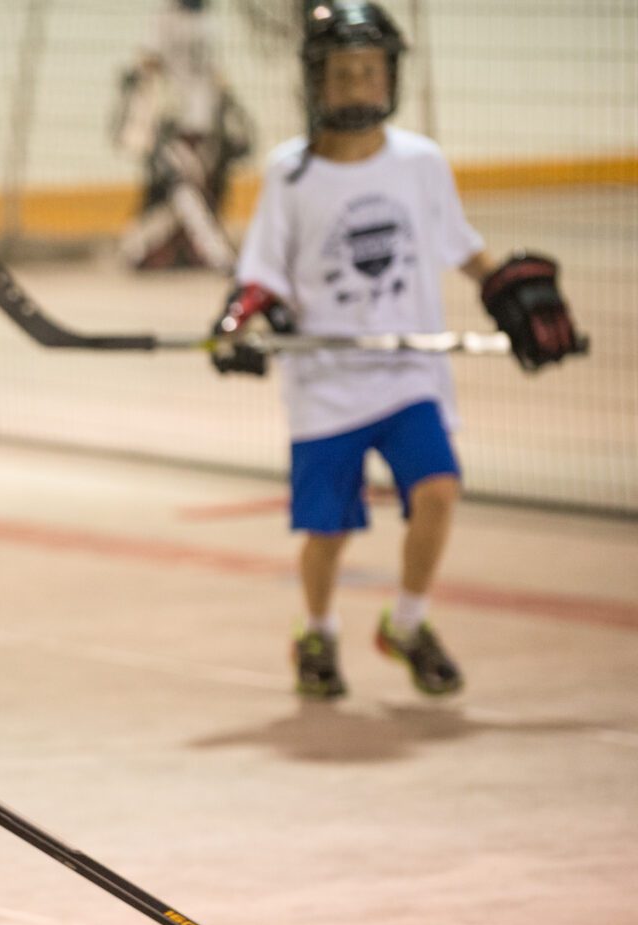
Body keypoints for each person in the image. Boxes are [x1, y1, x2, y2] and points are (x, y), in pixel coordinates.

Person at [208, 1, 580, 700]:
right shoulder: (291, 174)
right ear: (316, 81)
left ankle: (406, 624)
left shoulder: (420, 162)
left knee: (439, 488)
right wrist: (236, 326)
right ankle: (317, 630)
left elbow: (460, 244)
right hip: (326, 383)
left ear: (391, 76)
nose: (357, 85)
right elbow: (261, 274)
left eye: (370, 71)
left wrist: (505, 290)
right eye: (343, 73)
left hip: (409, 373)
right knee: (328, 530)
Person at [113, 0, 252, 271]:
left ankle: (139, 248)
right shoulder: (165, 18)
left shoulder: (206, 18)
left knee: (191, 190)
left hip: (206, 123)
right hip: (174, 123)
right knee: (183, 189)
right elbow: (149, 63)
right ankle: (216, 254)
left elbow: (213, 73)